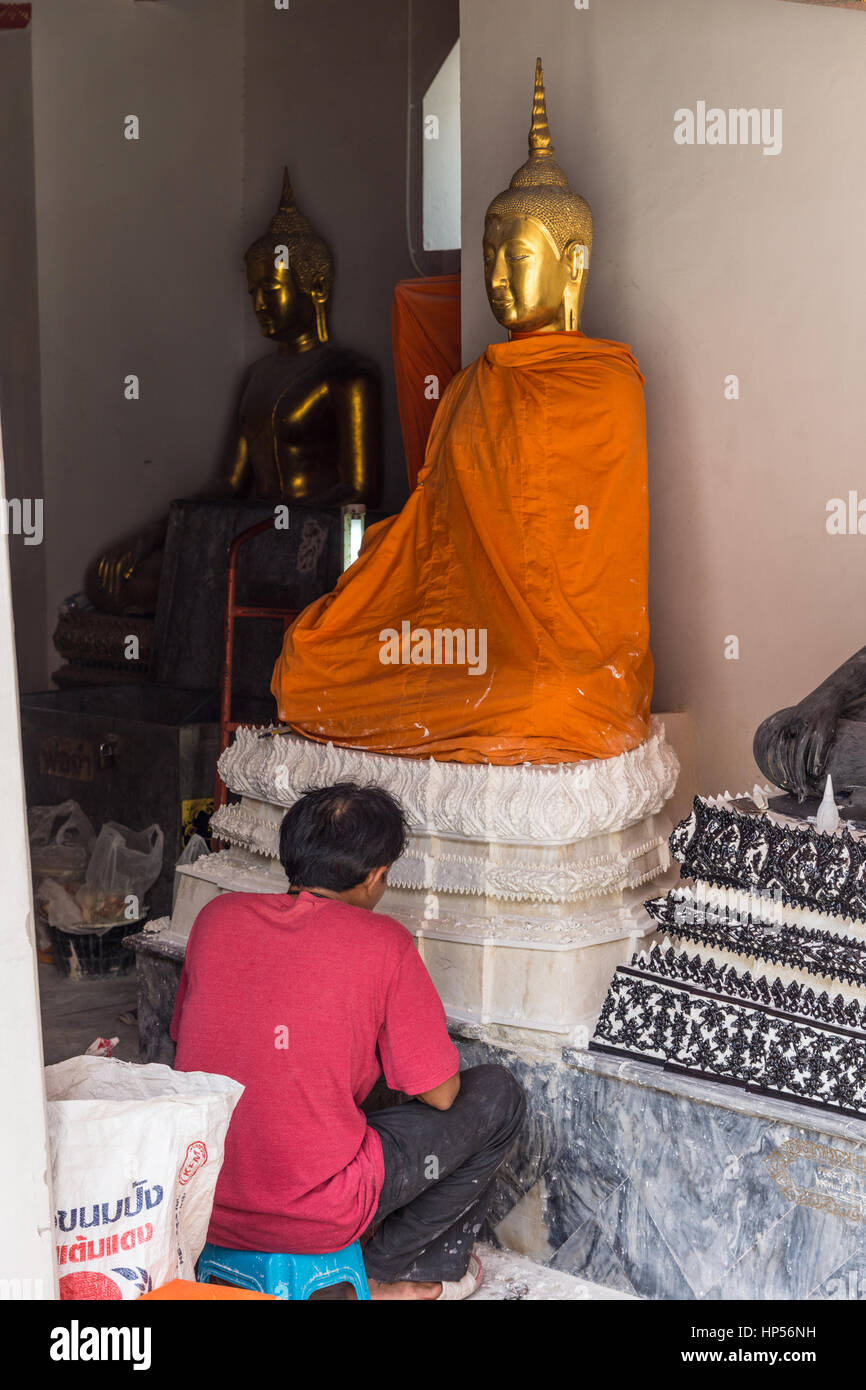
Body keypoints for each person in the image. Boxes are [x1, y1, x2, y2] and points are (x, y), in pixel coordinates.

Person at [171, 782, 526, 1301]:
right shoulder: (384, 941)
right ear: (376, 876)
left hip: (201, 1200)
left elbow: (188, 1037)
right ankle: (389, 1271)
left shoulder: (215, 919)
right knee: (497, 1095)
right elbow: (442, 1095)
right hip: (317, 1216)